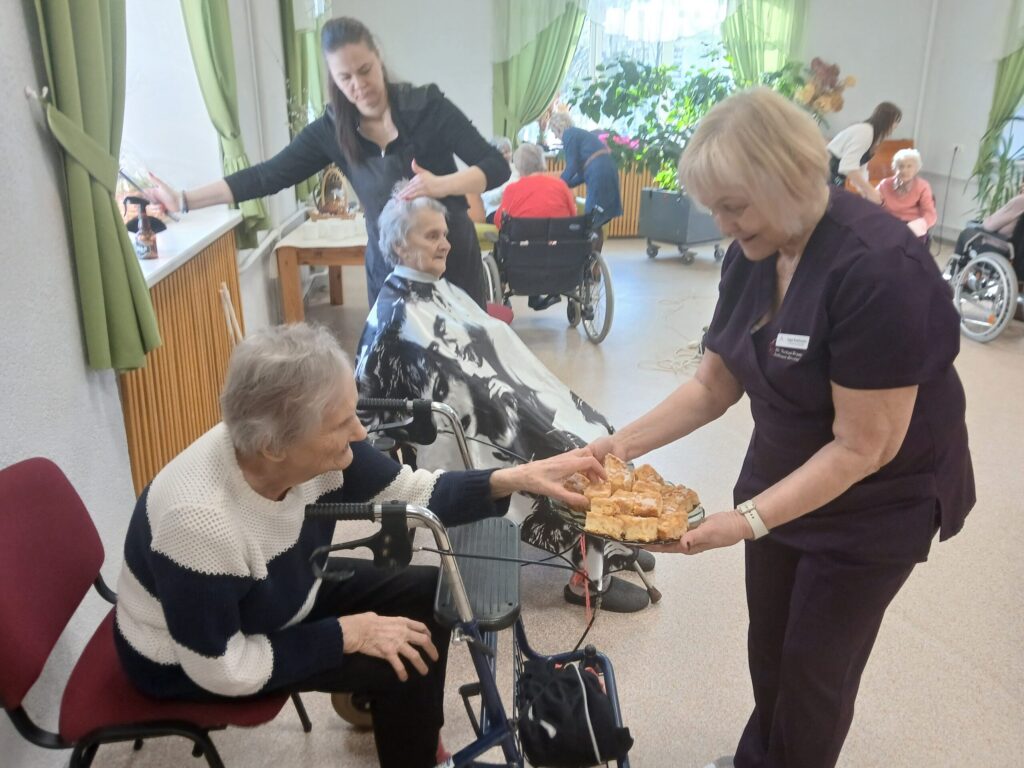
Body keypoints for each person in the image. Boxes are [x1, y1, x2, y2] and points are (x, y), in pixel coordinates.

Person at [587, 89, 974, 768]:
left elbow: (865, 445)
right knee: (770, 651)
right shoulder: (753, 251)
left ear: (789, 180)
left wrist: (745, 522)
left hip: (877, 502)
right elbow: (713, 383)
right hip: (783, 476)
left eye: (734, 204)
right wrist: (614, 448)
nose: (722, 222)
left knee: (814, 672)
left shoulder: (878, 268)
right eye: (715, 207)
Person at [113, 323, 602, 768]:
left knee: (425, 597)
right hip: (191, 659)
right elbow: (224, 668)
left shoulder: (301, 448)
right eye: (340, 423)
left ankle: (413, 737)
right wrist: (344, 634)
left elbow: (414, 492)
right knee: (400, 660)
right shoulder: (200, 521)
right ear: (274, 447)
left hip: (275, 596)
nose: (361, 432)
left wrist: (518, 478)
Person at [354, 188, 655, 613]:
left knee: (597, 428)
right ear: (401, 244)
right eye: (431, 237)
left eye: (444, 234)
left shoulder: (438, 290)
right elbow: (374, 397)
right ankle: (586, 577)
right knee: (574, 452)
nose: (444, 244)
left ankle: (608, 540)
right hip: (467, 420)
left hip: (506, 398)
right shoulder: (398, 313)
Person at [145, 16, 507, 309]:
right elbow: (266, 176)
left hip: (451, 256)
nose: (358, 85)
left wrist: (442, 185)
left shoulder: (428, 106)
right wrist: (185, 200)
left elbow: (496, 166)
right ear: (333, 78)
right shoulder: (331, 131)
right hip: (390, 267)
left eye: (365, 70)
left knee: (463, 370)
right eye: (345, 77)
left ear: (378, 58)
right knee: (398, 376)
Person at [548, 112, 623, 243]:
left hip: (599, 173)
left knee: (591, 220)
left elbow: (572, 166)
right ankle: (595, 259)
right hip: (607, 170)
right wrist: (565, 184)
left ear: (558, 127)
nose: (555, 136)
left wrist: (558, 185)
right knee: (596, 223)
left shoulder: (569, 134)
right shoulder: (580, 135)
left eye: (554, 132)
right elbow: (580, 173)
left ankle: (591, 258)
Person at [826, 101, 902, 203]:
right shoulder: (865, 132)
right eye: (895, 121)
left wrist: (866, 192)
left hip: (835, 176)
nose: (896, 126)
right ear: (886, 119)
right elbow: (848, 167)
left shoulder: (873, 136)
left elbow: (861, 169)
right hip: (826, 171)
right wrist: (870, 191)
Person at [876, 148, 937, 238]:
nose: (904, 170)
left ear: (916, 169)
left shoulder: (923, 186)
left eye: (909, 166)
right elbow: (871, 205)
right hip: (888, 224)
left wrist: (913, 228)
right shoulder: (885, 184)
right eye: (901, 166)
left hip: (912, 227)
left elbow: (930, 214)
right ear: (895, 168)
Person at [954, 179, 1024, 255]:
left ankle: (955, 265)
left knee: (965, 233)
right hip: (1015, 251)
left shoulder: (1020, 201)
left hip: (1004, 247)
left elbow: (988, 226)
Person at [479, 137, 518, 223]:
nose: (505, 155)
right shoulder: (487, 172)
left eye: (507, 152)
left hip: (515, 210)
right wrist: (505, 191)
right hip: (495, 211)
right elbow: (488, 198)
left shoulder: (517, 169)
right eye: (501, 153)